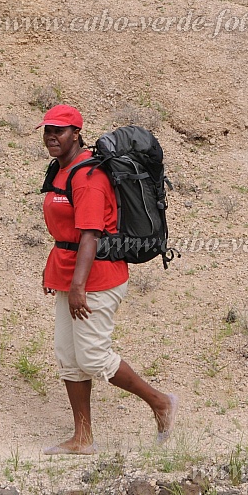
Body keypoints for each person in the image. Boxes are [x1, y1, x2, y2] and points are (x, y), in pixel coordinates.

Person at [38, 104, 178, 454]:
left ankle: (160, 402)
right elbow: (64, 231)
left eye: (60, 130)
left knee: (94, 358)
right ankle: (82, 438)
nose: (52, 136)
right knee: (69, 358)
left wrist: (78, 288)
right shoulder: (60, 171)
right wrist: (53, 270)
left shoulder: (88, 177)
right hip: (70, 275)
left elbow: (90, 235)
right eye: (47, 130)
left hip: (96, 278)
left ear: (77, 133)